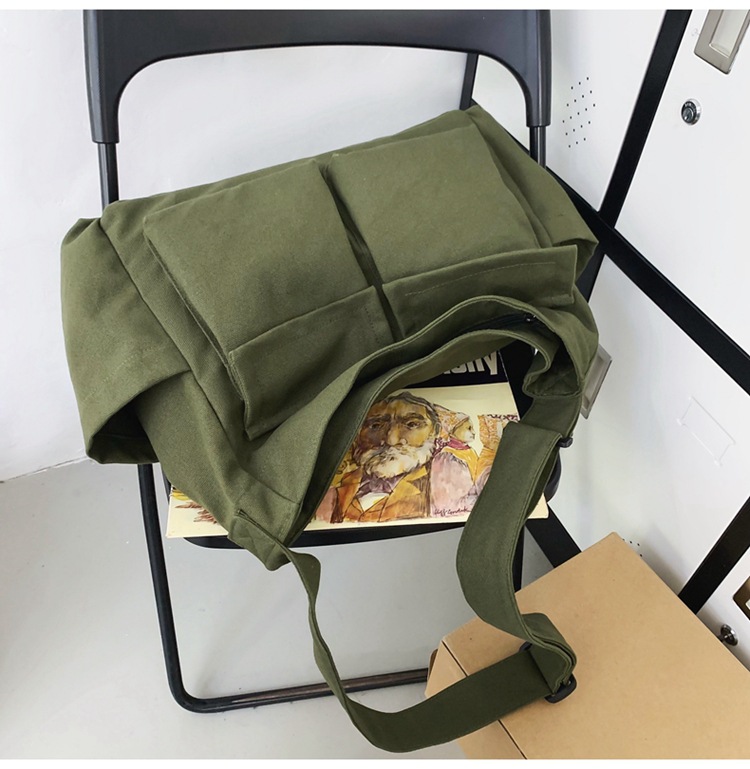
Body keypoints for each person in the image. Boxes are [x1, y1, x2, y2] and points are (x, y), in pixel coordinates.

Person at [315, 392, 441, 523]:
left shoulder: (439, 488)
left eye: (411, 424)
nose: (391, 440)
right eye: (376, 426)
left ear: (434, 431)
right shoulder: (332, 487)